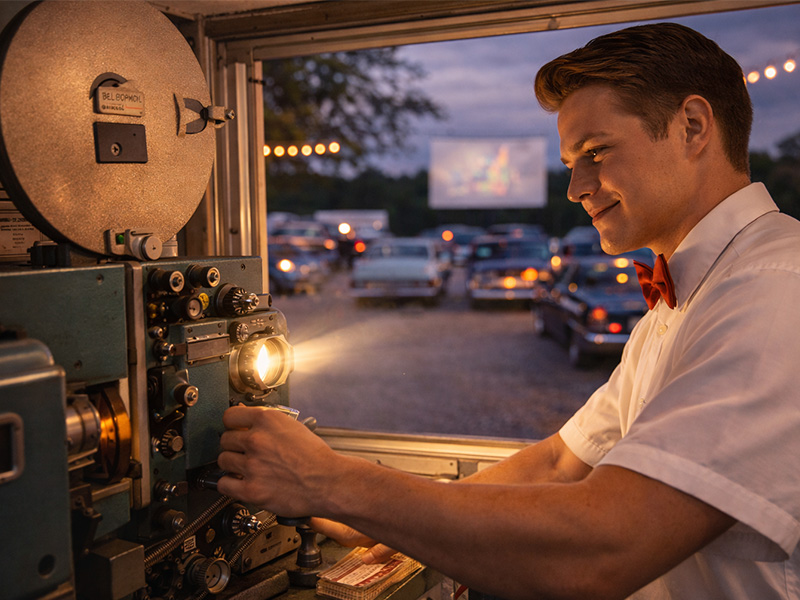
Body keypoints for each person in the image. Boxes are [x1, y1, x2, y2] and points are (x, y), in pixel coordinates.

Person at [217, 22, 800, 599]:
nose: (576, 186)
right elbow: (557, 463)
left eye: (596, 152)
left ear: (692, 128)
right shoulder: (679, 304)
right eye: (573, 160)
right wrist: (386, 514)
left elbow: (604, 548)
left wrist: (333, 482)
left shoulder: (773, 289)